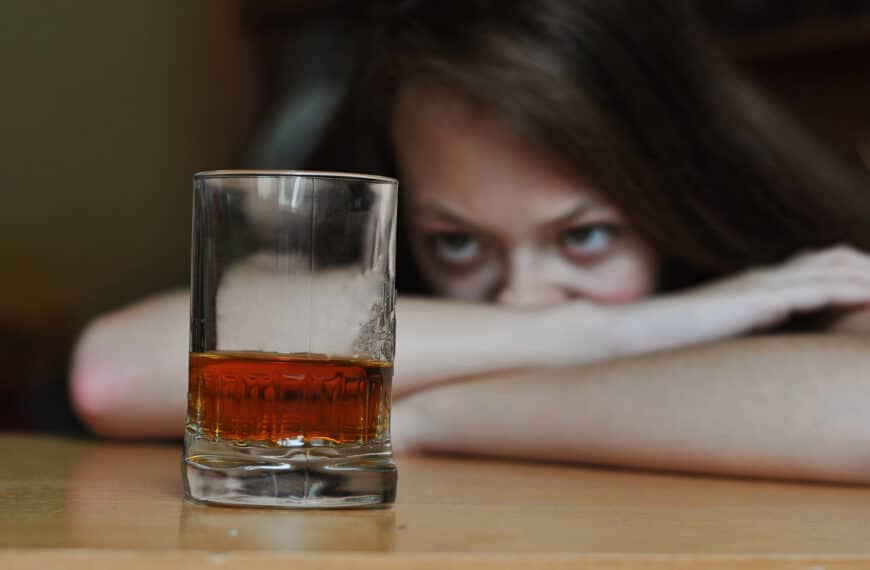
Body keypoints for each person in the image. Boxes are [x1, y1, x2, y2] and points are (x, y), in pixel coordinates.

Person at [71, 0, 870, 483]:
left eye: (585, 236)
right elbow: (116, 374)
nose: (523, 295)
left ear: (680, 191)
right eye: (457, 244)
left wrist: (428, 418)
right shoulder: (402, 269)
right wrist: (614, 330)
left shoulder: (792, 275)